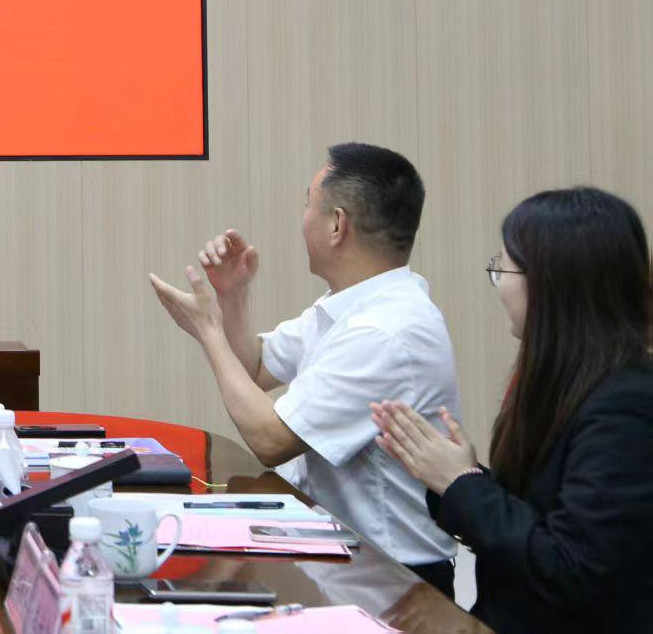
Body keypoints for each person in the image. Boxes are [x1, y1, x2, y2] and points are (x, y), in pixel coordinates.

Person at [147, 143, 460, 594]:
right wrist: (233, 295)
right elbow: (255, 368)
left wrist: (209, 331)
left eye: (307, 203)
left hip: (394, 580)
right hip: (345, 556)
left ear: (337, 224)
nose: (303, 218)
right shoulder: (352, 305)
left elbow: (270, 439)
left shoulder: (385, 330)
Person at [371, 186, 653, 634]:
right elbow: (537, 515)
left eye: (503, 268)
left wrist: (463, 484)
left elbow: (571, 568)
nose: (499, 285)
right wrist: (451, 476)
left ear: (551, 283)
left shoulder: (626, 404)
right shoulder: (567, 381)